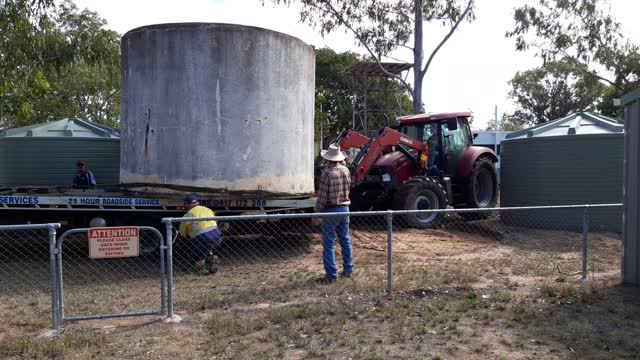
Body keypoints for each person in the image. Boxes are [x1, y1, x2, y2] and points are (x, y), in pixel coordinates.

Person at [315, 144, 354, 283]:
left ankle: (331, 275)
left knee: (329, 243)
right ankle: (348, 270)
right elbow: (349, 187)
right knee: (345, 240)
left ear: (327, 159)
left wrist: (317, 213)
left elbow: (322, 197)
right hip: (345, 209)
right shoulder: (345, 171)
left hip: (331, 210)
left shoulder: (327, 173)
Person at [178, 194, 222, 274]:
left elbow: (182, 233)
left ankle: (202, 267)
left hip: (203, 239)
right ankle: (211, 260)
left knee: (196, 257)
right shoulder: (207, 209)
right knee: (208, 248)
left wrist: (186, 235)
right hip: (217, 237)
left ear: (187, 204)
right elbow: (215, 221)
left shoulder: (187, 215)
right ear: (197, 202)